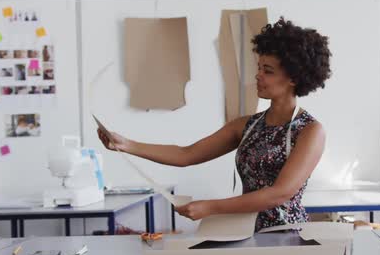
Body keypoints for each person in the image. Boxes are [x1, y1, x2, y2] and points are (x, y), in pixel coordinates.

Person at [98, 17, 331, 230]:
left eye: (267, 71)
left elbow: (279, 194)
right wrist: (127, 145)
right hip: (245, 231)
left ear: (294, 77)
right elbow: (186, 154)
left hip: (287, 236)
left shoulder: (309, 131)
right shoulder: (246, 126)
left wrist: (211, 207)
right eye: (259, 68)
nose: (258, 75)